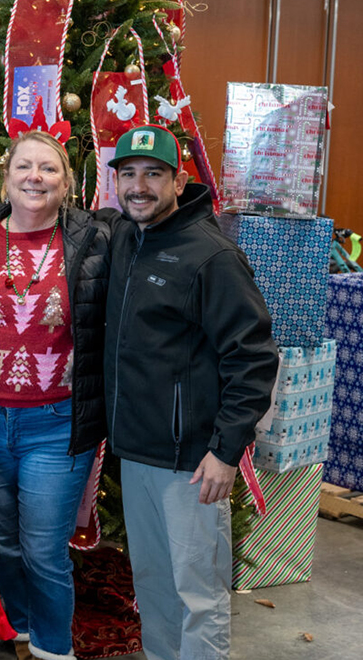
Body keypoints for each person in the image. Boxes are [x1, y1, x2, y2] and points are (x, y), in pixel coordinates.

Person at [105, 125, 278, 660]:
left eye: (153, 174)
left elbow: (252, 357)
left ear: (179, 180)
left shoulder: (211, 256)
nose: (140, 186)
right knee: (154, 582)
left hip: (193, 464)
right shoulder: (126, 240)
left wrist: (226, 451)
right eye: (128, 174)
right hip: (136, 453)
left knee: (198, 595)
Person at [0, 130, 109, 660]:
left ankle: (52, 647)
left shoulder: (93, 242)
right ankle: (14, 623)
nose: (35, 177)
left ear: (67, 183)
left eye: (48, 169)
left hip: (56, 424)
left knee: (44, 550)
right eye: (25, 167)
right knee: (0, 539)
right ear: (7, 177)